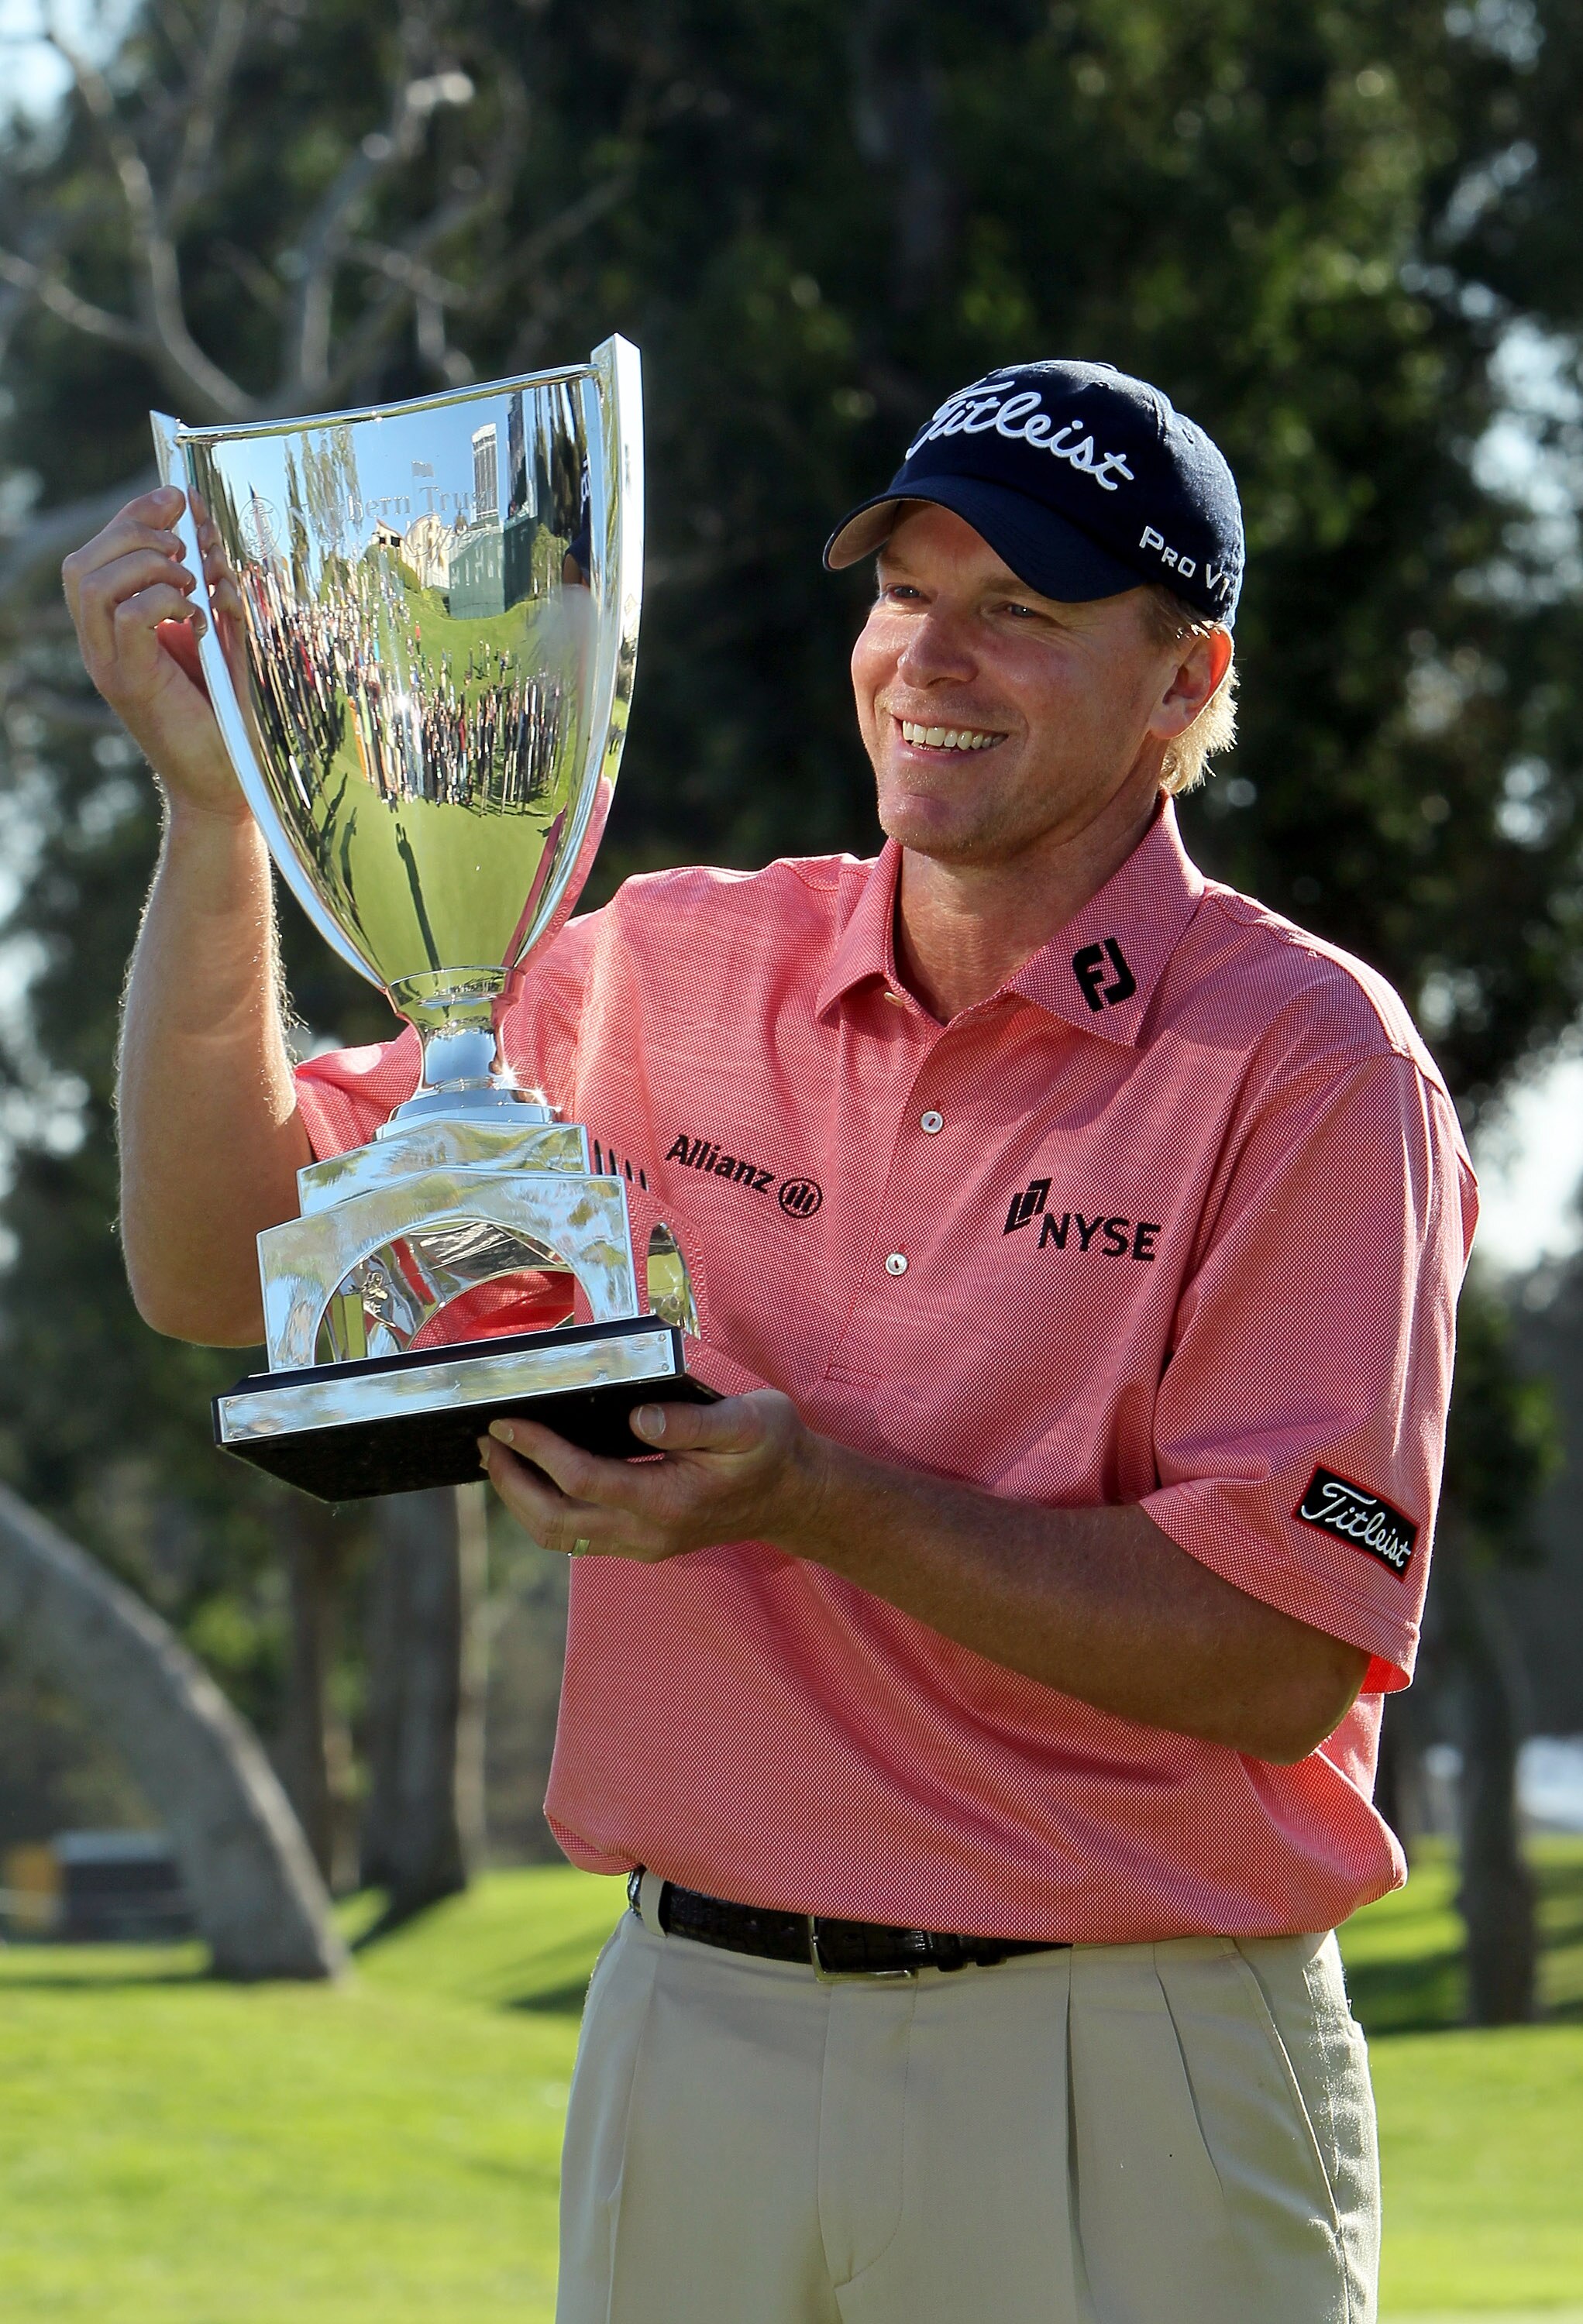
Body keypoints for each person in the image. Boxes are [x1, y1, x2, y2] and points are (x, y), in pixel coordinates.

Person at [67, 358, 1474, 2324]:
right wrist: (214, 816)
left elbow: (1270, 1656)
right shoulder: (657, 965)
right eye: (904, 591)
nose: (933, 659)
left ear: (1181, 682)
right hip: (691, 2028)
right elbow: (219, 1263)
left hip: (1122, 2061)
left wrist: (813, 1497)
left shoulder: (1310, 1068)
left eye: (1023, 611)